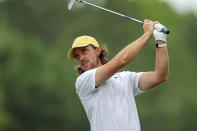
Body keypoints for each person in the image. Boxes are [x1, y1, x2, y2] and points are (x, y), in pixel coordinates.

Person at [67, 19, 169, 131]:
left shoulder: (126, 78)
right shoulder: (83, 81)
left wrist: (161, 40)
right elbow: (121, 61)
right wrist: (147, 34)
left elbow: (160, 76)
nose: (81, 58)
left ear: (98, 51)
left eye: (84, 51)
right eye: (77, 56)